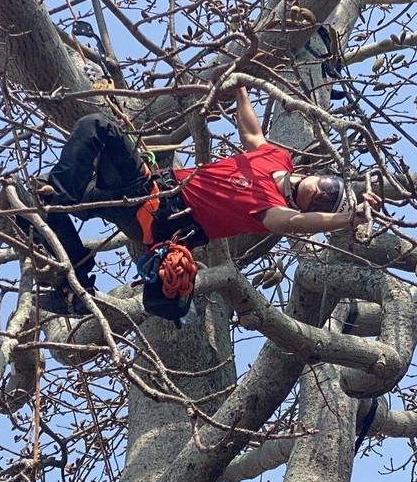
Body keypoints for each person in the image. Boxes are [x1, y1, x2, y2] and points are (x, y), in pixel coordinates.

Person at [33, 87, 379, 315]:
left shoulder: (273, 210)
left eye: (324, 203)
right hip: (152, 190)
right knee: (37, 202)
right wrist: (241, 87)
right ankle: (75, 274)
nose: (320, 195)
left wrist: (346, 221)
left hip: (157, 209)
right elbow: (252, 134)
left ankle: (59, 200)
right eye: (329, 188)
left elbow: (296, 225)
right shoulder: (278, 158)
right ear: (322, 174)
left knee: (98, 127)